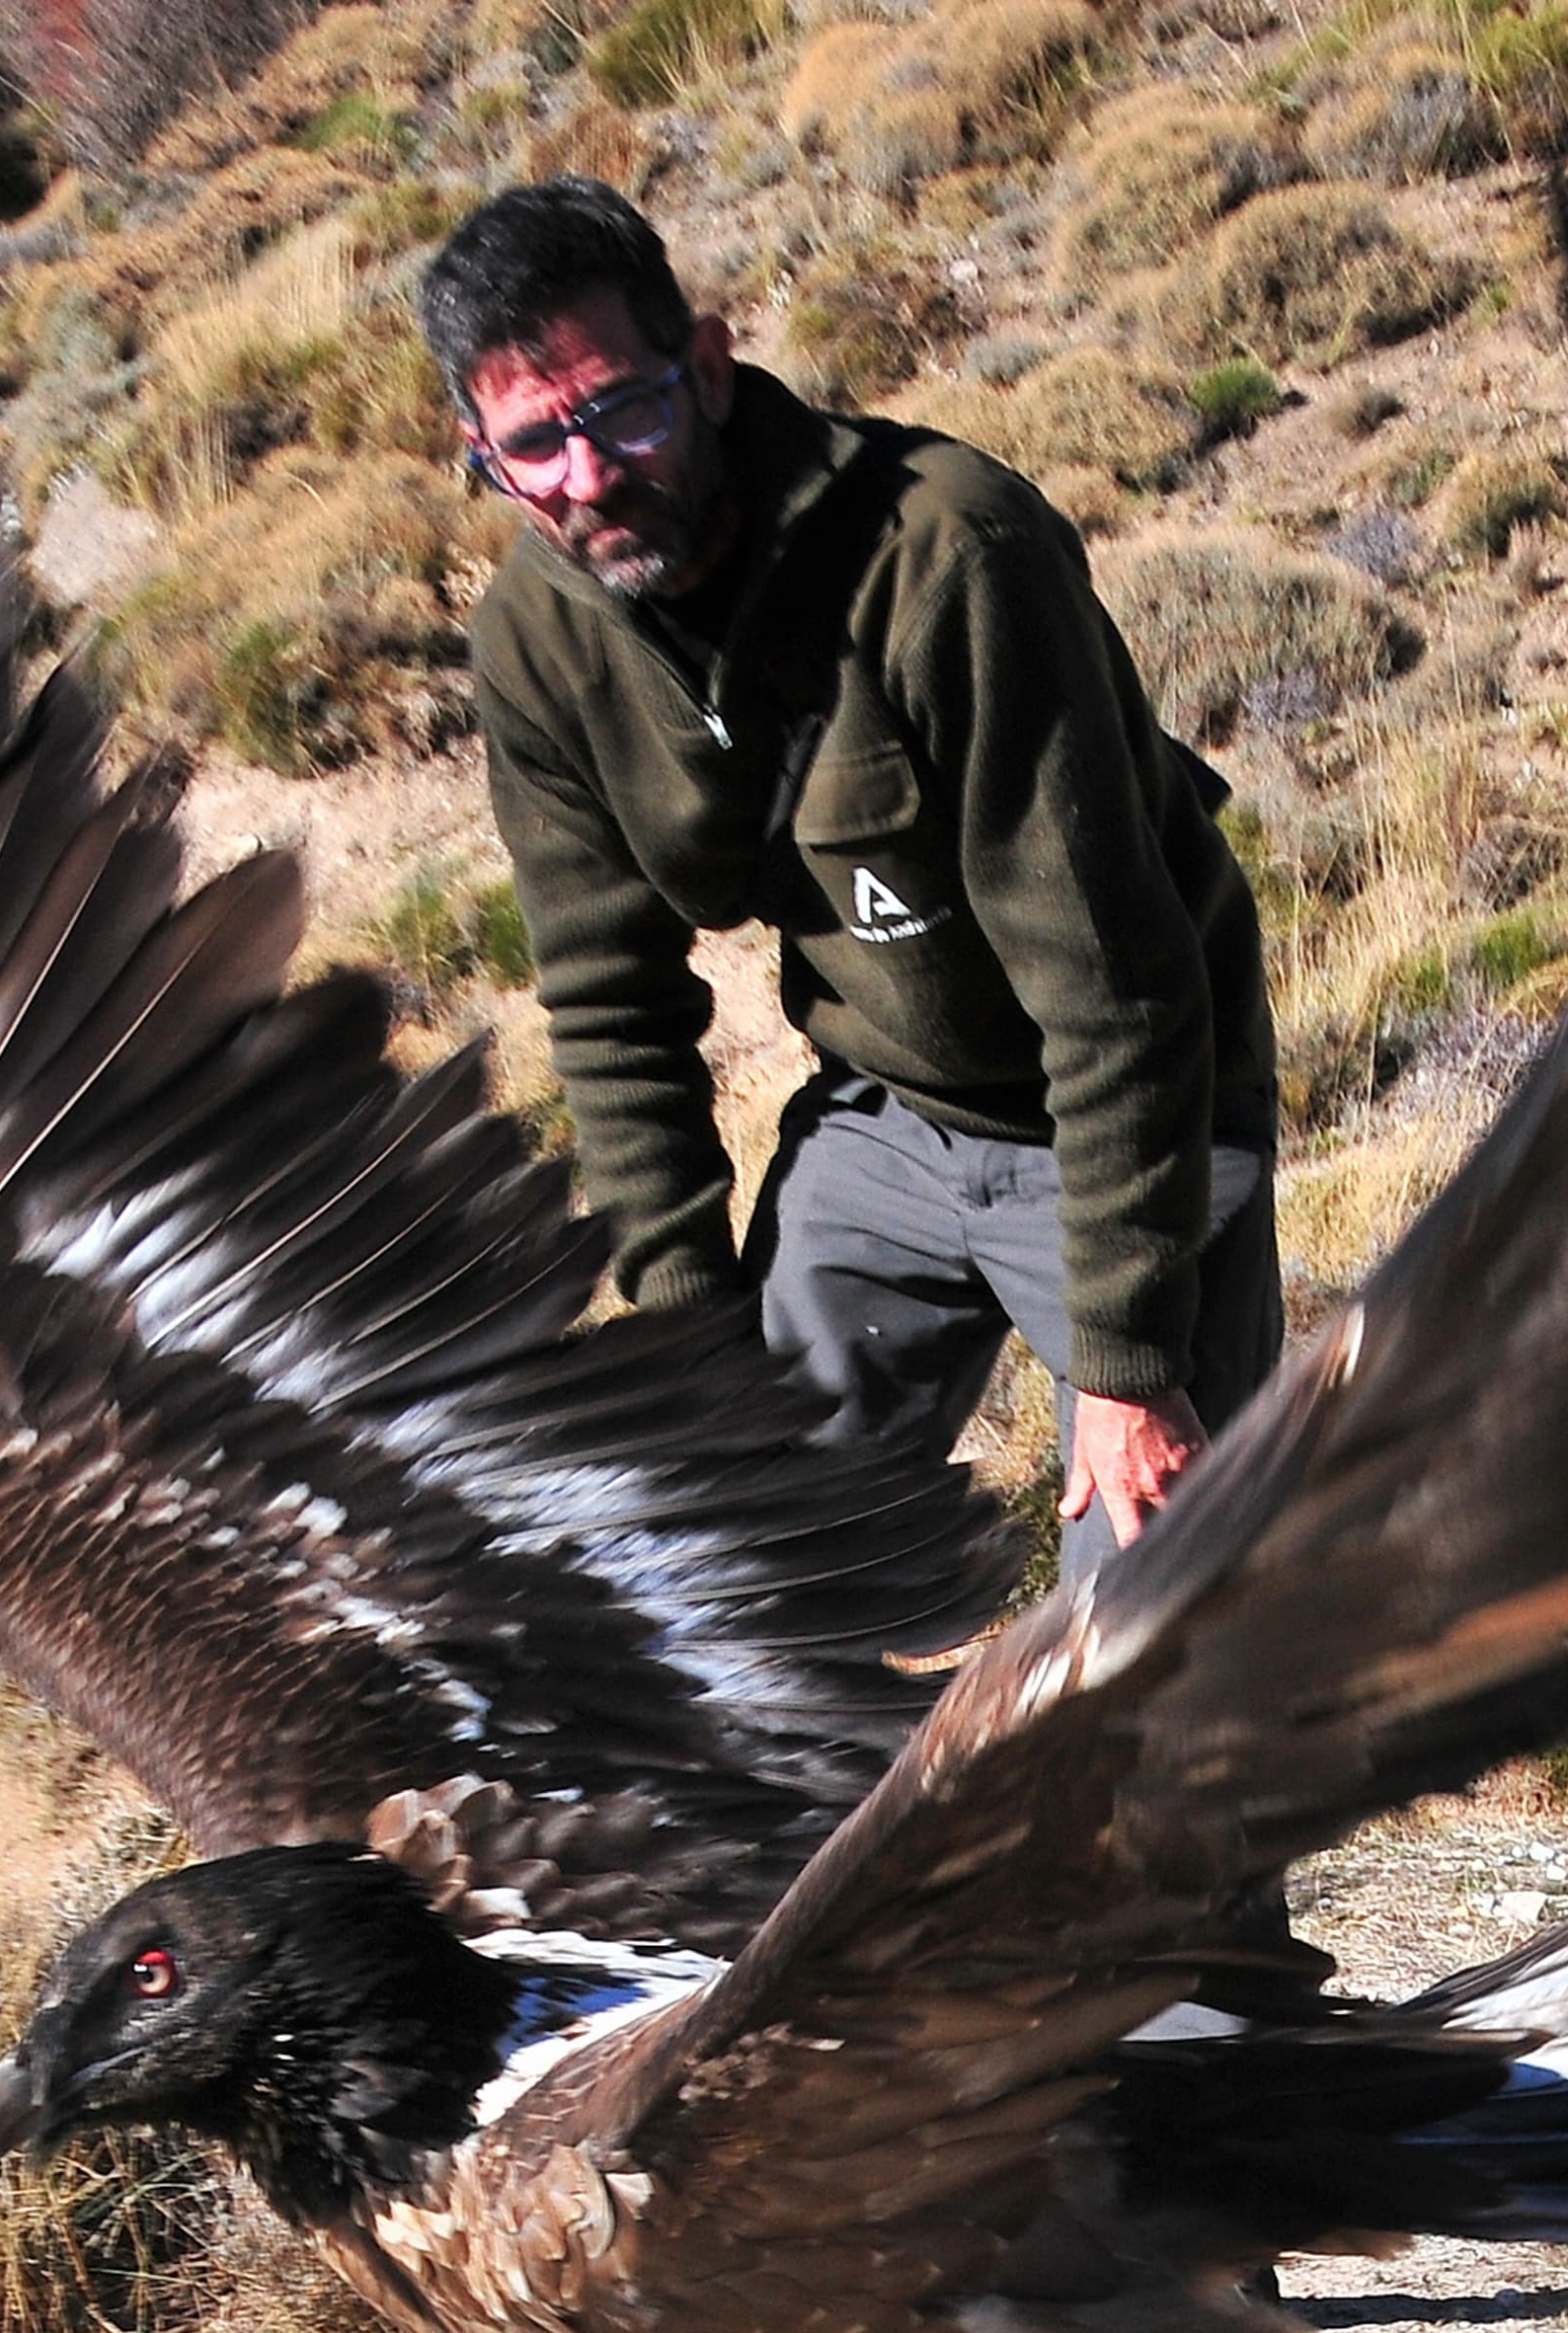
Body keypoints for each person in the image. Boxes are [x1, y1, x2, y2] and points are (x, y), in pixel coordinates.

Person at [419, 180, 1283, 1584]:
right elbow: (611, 1012)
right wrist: (692, 1350)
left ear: (707, 367)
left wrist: (1130, 1360)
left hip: (1127, 1112)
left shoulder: (948, 553)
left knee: (1164, 1619)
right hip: (887, 1113)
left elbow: (1116, 985)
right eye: (532, 446)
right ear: (484, 453)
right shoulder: (538, 643)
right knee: (734, 1561)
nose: (586, 477)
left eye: (620, 413)